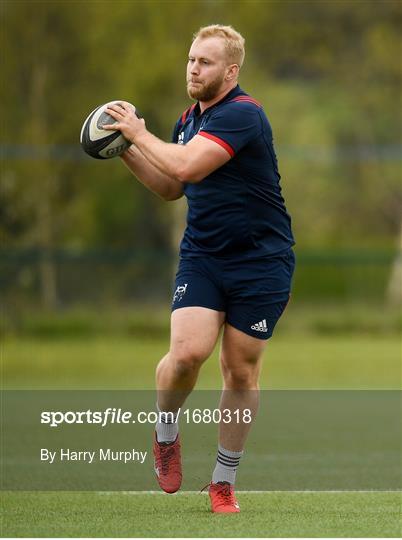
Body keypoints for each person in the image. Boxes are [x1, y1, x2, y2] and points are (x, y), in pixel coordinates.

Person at [103, 24, 295, 513]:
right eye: (190, 59)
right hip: (205, 256)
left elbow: (186, 167)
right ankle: (166, 434)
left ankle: (223, 482)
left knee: (240, 369)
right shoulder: (188, 120)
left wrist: (138, 132)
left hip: (262, 261)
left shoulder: (243, 115)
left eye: (205, 62)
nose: (193, 68)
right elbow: (172, 186)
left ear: (231, 72)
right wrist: (125, 149)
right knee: (188, 354)